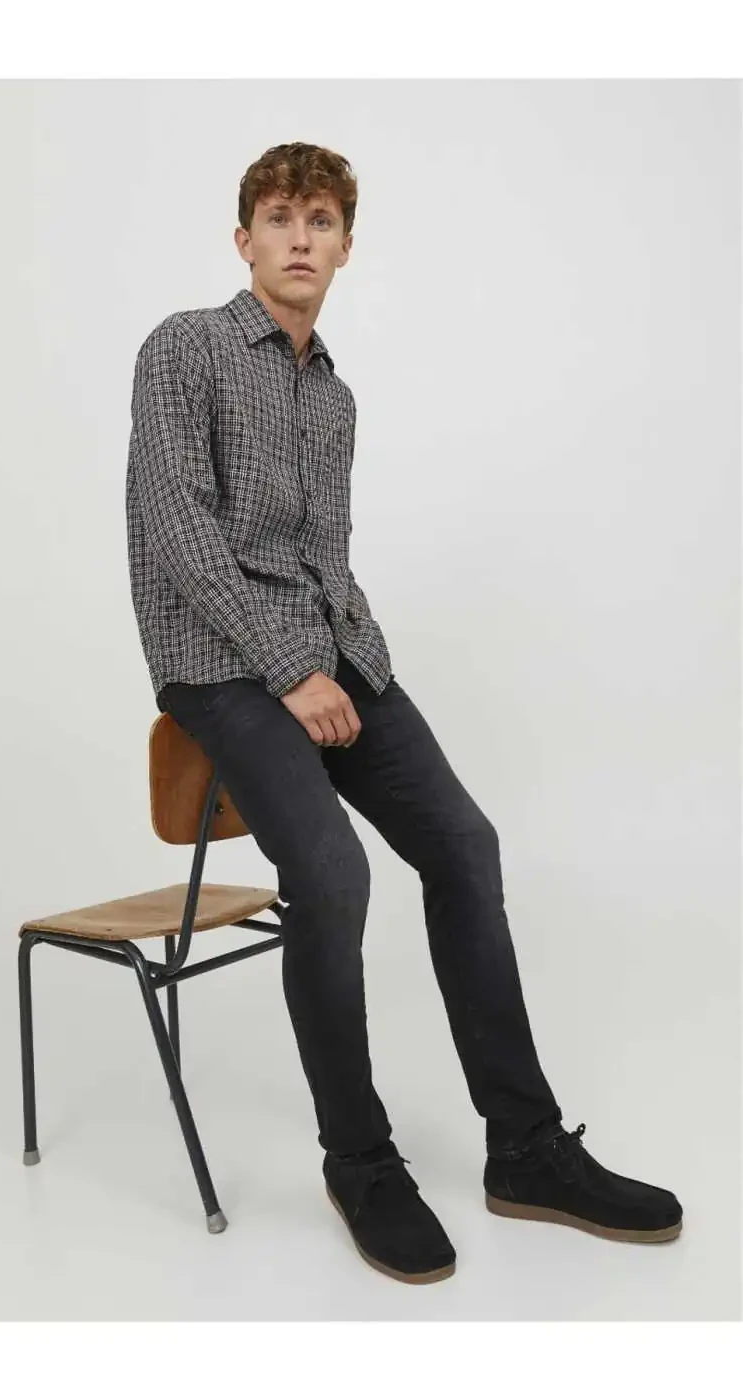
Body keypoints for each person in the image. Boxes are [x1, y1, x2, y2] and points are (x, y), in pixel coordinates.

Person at [125, 141, 682, 1285]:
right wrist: (290, 665)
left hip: (332, 659)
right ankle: (361, 1159)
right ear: (243, 239)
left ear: (344, 246)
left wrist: (350, 659)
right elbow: (180, 533)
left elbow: (325, 560)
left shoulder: (334, 397)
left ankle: (525, 1146)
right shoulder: (184, 347)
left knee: (465, 845)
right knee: (333, 874)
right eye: (278, 217)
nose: (299, 237)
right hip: (216, 666)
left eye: (321, 220)